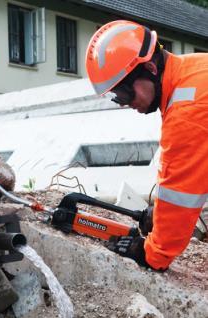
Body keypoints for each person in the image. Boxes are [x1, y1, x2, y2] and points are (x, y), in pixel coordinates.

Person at [85, 20, 208, 271]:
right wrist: (161, 213)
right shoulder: (193, 70)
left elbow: (181, 190)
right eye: (116, 98)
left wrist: (151, 253)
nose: (124, 103)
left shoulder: (189, 109)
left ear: (150, 68)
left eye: (125, 94)